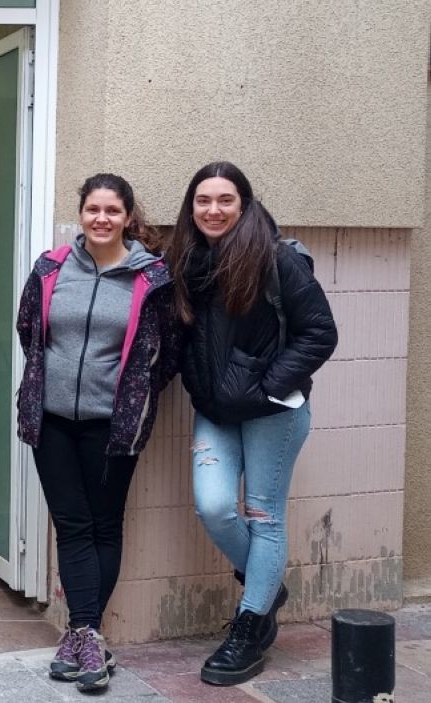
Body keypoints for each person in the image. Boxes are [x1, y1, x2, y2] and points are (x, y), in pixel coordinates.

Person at [167, 161, 337, 686]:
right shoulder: (187, 261)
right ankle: (268, 588)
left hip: (273, 413)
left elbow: (320, 333)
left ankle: (249, 625)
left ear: (243, 204)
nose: (213, 210)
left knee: (264, 518)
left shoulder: (277, 258)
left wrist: (265, 385)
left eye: (225, 200)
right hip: (216, 411)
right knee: (215, 506)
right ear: (191, 207)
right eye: (203, 200)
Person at [15, 173, 182, 693]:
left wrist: (134, 392)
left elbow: (168, 352)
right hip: (53, 420)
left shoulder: (152, 278)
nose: (101, 219)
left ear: (128, 216)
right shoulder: (50, 268)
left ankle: (81, 635)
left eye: (112, 211)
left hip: (115, 425)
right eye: (93, 210)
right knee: (71, 523)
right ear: (81, 213)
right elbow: (29, 330)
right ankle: (88, 636)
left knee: (103, 524)